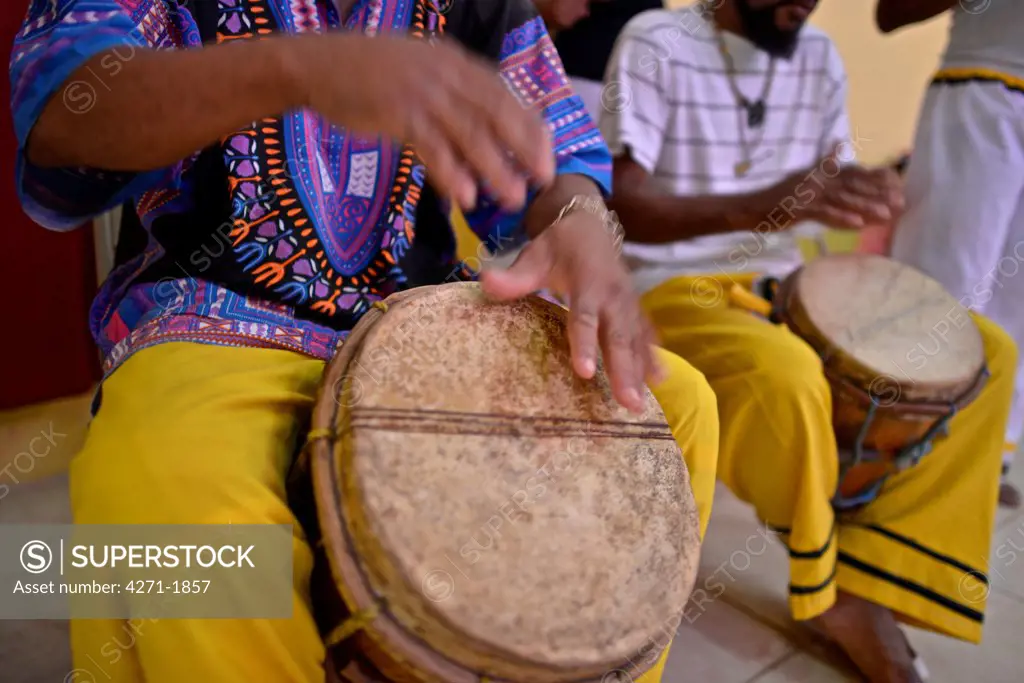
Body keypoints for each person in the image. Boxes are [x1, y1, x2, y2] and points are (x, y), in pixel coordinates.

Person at [9, 1, 720, 681]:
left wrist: (580, 218)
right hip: (210, 314)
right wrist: (298, 68)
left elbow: (556, 155)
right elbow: (61, 114)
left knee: (670, 410)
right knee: (181, 504)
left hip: (424, 314)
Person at [600, 1, 1017, 681]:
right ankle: (832, 595)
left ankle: (873, 574)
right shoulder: (655, 40)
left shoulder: (818, 56)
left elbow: (831, 187)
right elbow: (625, 208)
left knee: (989, 352)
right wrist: (775, 201)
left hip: (792, 284)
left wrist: (868, 194)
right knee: (786, 372)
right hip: (675, 285)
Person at [879, 0, 1024, 509]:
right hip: (981, 87)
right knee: (945, 289)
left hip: (988, 91)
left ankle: (987, 456)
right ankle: (894, 447)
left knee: (1017, 309)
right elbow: (888, 12)